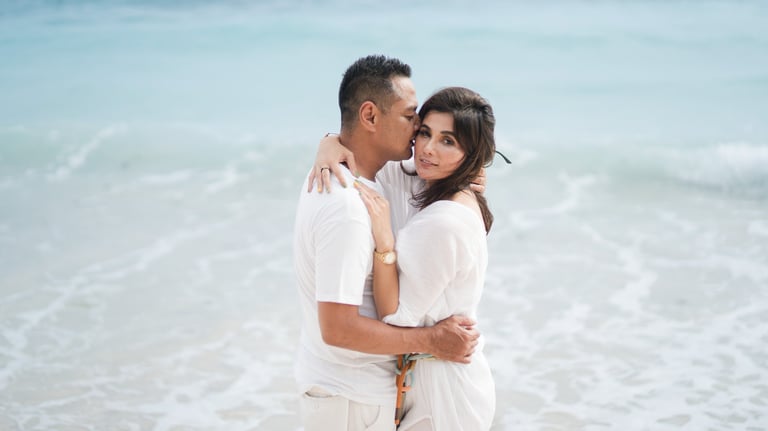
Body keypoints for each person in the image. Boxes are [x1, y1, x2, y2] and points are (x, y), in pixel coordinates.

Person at [293, 55, 480, 431]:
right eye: (411, 118)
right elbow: (338, 328)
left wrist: (328, 140)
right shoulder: (345, 206)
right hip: (348, 399)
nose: (417, 132)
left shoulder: (366, 178)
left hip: (352, 394)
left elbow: (460, 168)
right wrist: (433, 340)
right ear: (370, 116)